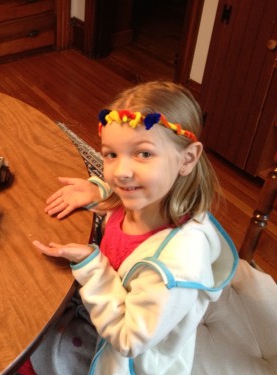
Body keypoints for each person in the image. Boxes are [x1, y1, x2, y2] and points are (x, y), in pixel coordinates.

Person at [29, 81, 238, 374]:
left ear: (187, 158)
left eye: (143, 154)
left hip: (121, 355)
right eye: (111, 154)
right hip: (97, 309)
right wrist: (103, 193)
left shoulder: (176, 267)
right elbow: (125, 188)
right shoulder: (146, 198)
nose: (122, 172)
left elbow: (128, 340)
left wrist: (93, 266)